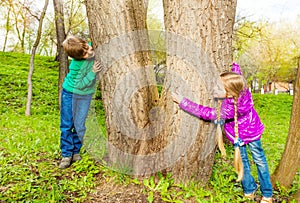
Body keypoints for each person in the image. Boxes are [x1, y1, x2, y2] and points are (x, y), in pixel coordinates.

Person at [171, 63, 273, 203]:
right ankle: (249, 188)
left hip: (251, 132)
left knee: (260, 161)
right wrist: (235, 67)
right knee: (242, 162)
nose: (214, 88)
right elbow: (238, 77)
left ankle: (267, 193)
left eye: (218, 88)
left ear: (230, 94)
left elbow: (207, 113)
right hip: (240, 133)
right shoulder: (240, 86)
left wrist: (183, 102)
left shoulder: (229, 110)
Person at [59, 36, 103, 169]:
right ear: (77, 57)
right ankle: (67, 154)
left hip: (85, 95)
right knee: (67, 124)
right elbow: (81, 84)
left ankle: (76, 150)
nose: (89, 51)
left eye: (87, 47)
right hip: (71, 93)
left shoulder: (89, 46)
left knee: (80, 124)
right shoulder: (76, 65)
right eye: (85, 53)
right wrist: (93, 73)